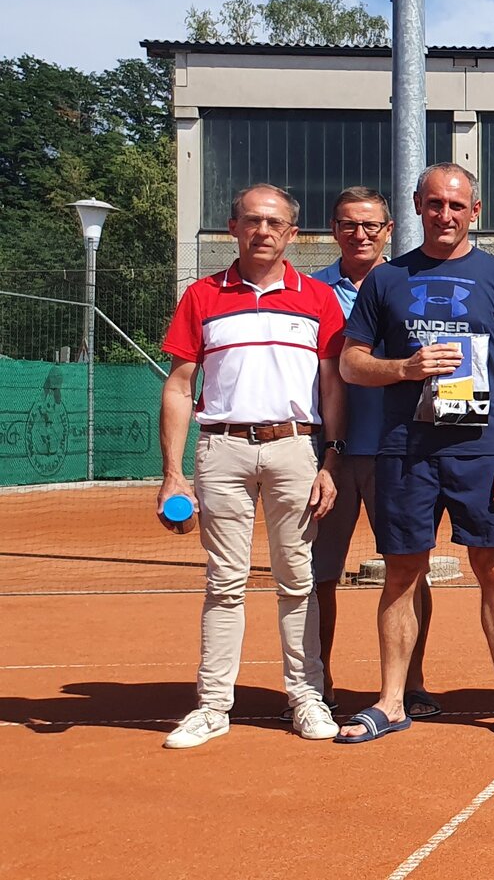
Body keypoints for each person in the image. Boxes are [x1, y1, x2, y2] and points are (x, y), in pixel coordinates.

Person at [335, 163, 494, 742]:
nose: (444, 215)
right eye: (434, 204)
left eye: (455, 205)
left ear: (475, 211)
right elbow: (351, 362)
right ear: (418, 207)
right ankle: (391, 700)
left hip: (482, 452)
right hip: (406, 451)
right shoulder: (385, 279)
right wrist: (404, 367)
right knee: (403, 571)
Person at [157, 183, 345, 748]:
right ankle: (213, 706)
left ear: (292, 233)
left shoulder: (319, 298)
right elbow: (179, 386)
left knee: (299, 580)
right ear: (233, 227)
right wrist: (173, 474)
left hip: (296, 449)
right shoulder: (201, 296)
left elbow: (333, 387)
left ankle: (306, 697)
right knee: (224, 583)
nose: (263, 231)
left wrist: (330, 459)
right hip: (222, 450)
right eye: (252, 220)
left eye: (275, 222)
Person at [310, 187, 440, 720]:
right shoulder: (310, 290)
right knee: (319, 574)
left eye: (370, 225)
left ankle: (412, 683)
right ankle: (317, 684)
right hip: (328, 457)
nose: (359, 234)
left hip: (399, 452)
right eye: (348, 224)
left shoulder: (409, 284)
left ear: (388, 230)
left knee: (410, 572)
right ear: (333, 229)